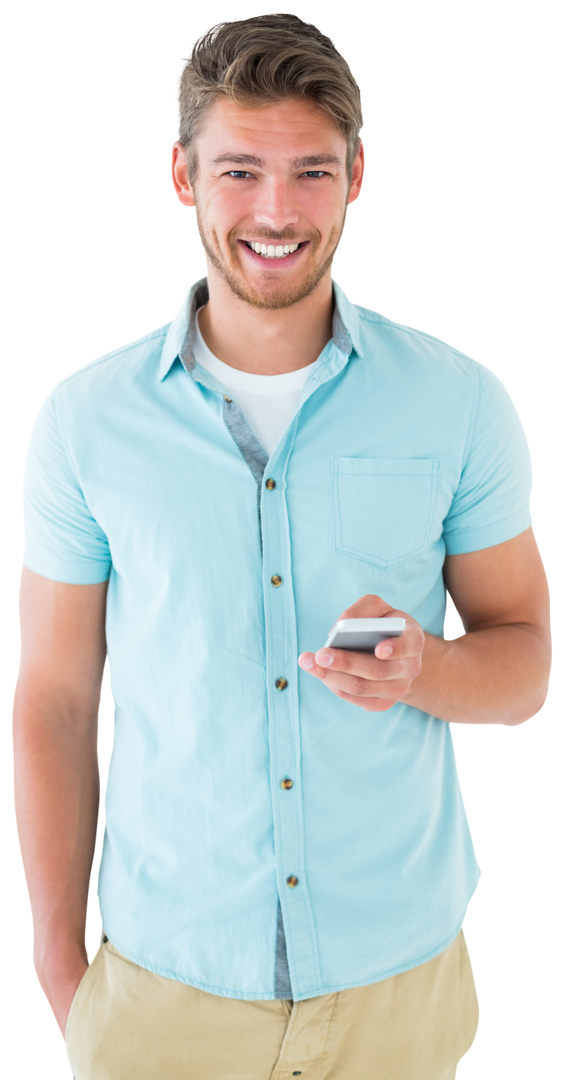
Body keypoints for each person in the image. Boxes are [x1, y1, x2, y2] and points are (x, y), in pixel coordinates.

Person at [11, 11, 553, 1080]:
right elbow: (58, 699)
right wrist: (56, 958)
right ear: (181, 176)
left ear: (357, 177)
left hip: (400, 988)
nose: (274, 211)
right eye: (239, 171)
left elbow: (524, 663)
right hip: (163, 988)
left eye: (310, 172)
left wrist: (427, 669)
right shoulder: (84, 420)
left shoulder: (461, 402)